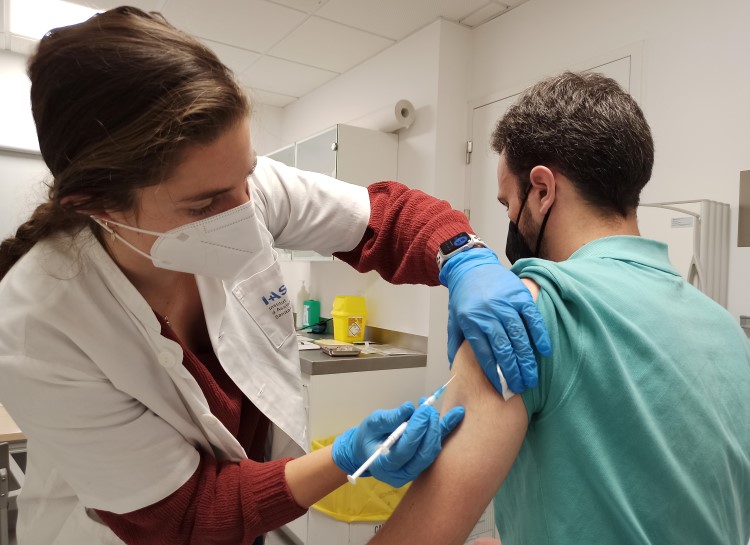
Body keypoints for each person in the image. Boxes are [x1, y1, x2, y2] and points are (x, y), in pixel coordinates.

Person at [0, 7, 551, 545]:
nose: (246, 208)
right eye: (205, 204)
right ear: (98, 206)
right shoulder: (37, 326)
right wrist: (344, 459)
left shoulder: (242, 185)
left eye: (246, 173)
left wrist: (463, 256)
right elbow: (188, 516)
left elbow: (389, 216)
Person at [368, 71, 750, 545]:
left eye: (508, 202)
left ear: (543, 190)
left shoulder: (523, 313)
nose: (507, 219)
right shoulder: (729, 332)